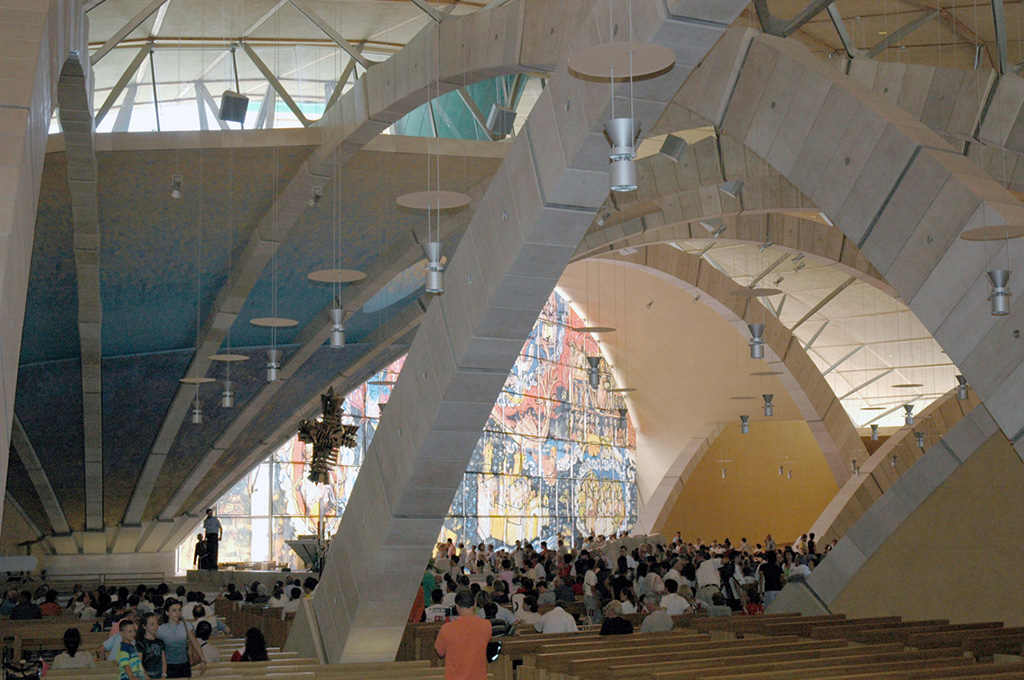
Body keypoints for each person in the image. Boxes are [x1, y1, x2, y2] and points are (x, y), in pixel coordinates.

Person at [434, 590, 492, 680]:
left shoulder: (447, 629)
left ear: (457, 606)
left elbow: (440, 652)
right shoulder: (486, 625)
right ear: (475, 604)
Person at [157, 598, 204, 677]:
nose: (177, 613)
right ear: (167, 612)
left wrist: (203, 660)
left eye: (179, 610)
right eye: (174, 610)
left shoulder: (187, 625)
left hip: (184, 665)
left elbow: (195, 643)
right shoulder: (160, 629)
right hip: (168, 666)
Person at [136, 612, 167, 679]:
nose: (155, 626)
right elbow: (139, 663)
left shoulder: (160, 642)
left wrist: (163, 675)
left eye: (156, 623)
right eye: (152, 624)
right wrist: (147, 677)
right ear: (144, 626)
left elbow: (163, 661)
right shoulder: (140, 643)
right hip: (146, 675)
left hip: (159, 675)